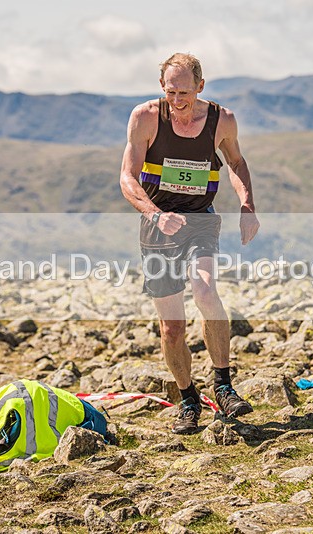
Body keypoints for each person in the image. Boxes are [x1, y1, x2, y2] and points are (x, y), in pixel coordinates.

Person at [119, 53, 260, 434]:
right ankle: (188, 399)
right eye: (169, 91)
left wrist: (247, 205)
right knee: (172, 328)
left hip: (199, 220)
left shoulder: (221, 120)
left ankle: (224, 386)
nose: (177, 100)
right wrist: (155, 214)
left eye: (184, 91)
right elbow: (127, 178)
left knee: (204, 289)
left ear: (201, 85)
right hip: (157, 224)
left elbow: (236, 162)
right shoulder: (146, 117)